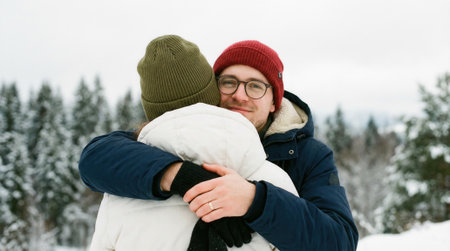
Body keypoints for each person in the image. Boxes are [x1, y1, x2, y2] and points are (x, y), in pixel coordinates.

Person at [79, 38, 359, 250]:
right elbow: (95, 159)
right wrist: (184, 177)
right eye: (229, 82)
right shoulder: (167, 141)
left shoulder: (307, 156)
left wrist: (255, 202)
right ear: (212, 90)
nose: (240, 95)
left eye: (255, 86)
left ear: (275, 100)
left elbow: (339, 241)